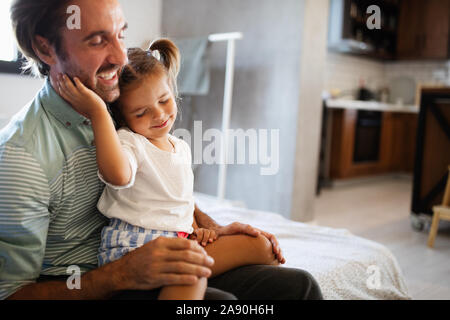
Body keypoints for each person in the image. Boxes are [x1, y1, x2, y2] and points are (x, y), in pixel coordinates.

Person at [0, 0, 323, 300]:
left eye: (120, 34)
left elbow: (156, 183)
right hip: (94, 284)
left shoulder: (118, 99)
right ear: (45, 47)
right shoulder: (21, 157)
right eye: (97, 41)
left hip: (160, 255)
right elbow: (10, 293)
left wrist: (208, 226)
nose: (121, 57)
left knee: (298, 286)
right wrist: (119, 275)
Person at [55, 39, 285, 300]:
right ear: (122, 119)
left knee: (264, 248)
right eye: (141, 112)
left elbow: (179, 201)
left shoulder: (180, 147)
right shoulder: (129, 141)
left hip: (179, 240)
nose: (158, 115)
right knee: (193, 270)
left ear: (172, 92)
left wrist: (204, 228)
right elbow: (117, 176)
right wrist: (98, 114)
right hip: (136, 250)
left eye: (164, 100)